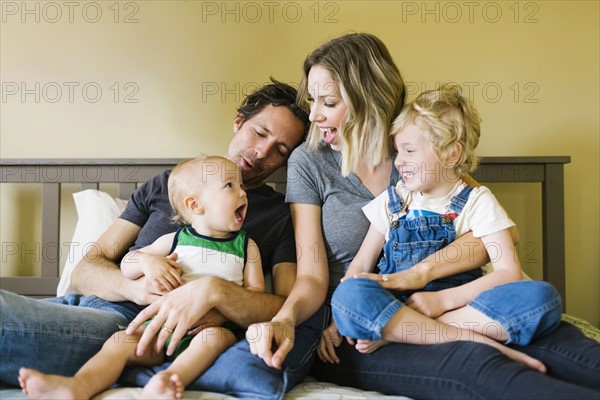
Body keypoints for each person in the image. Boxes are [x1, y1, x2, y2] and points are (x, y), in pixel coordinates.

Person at [244, 33, 600, 399]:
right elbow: (313, 275)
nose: (314, 115)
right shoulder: (311, 161)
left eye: (329, 102)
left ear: (370, 98)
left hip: (454, 304)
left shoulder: (418, 147)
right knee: (475, 365)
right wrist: (285, 319)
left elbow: (495, 234)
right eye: (313, 100)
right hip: (372, 321)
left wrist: (421, 277)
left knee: (567, 344)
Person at [0, 79, 330, 399]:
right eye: (259, 133)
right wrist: (137, 288)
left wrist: (218, 294)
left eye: (280, 150)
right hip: (112, 312)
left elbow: (286, 306)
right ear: (238, 121)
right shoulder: (169, 184)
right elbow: (85, 269)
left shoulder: (279, 216)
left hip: (163, 332)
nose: (261, 153)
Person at [331, 84, 562, 362]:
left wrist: (440, 302)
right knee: (348, 295)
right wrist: (339, 313)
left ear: (452, 154)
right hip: (397, 306)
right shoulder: (392, 201)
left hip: (457, 308)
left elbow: (508, 272)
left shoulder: (478, 202)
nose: (399, 162)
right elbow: (360, 264)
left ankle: (405, 333)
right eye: (398, 152)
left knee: (543, 298)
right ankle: (414, 329)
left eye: (410, 151)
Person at [18, 156, 265, 399]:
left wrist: (223, 312)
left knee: (218, 338)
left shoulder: (246, 246)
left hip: (209, 330)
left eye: (241, 186)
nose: (243, 193)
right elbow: (128, 264)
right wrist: (147, 262)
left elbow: (256, 296)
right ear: (194, 205)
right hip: (160, 327)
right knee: (120, 340)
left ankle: (167, 380)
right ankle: (77, 387)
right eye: (230, 186)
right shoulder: (174, 240)